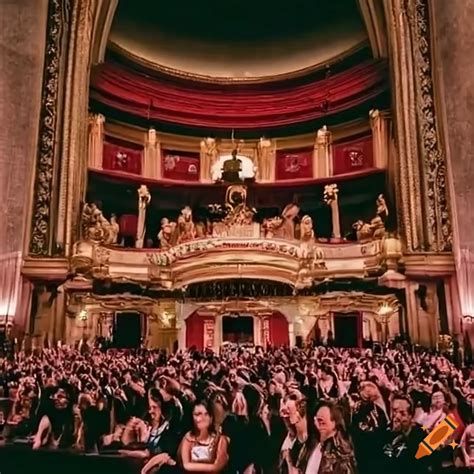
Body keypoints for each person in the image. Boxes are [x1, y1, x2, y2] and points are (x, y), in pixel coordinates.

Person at [120, 388, 179, 473]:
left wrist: (144, 470)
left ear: (163, 407)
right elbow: (128, 444)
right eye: (150, 407)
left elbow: (161, 455)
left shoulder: (170, 430)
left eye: (154, 407)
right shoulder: (147, 426)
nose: (151, 411)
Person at [378, 394, 428, 474]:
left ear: (410, 416)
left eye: (402, 413)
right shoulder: (384, 433)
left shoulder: (421, 435)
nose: (396, 416)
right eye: (394, 411)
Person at [304, 401, 357, 474]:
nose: (316, 425)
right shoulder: (313, 446)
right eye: (315, 420)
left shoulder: (342, 455)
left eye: (321, 422)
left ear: (334, 423)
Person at [178, 400, 229, 473]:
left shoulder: (221, 439)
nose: (202, 418)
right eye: (198, 414)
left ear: (211, 417)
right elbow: (186, 465)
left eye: (206, 414)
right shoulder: (188, 438)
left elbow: (218, 466)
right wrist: (211, 467)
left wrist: (194, 466)